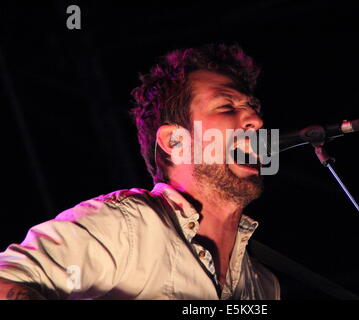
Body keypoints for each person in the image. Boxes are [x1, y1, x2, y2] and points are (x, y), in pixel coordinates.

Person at [0, 43, 280, 300]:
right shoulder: (127, 225)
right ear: (175, 141)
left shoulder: (265, 285)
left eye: (253, 107)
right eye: (227, 106)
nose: (256, 120)